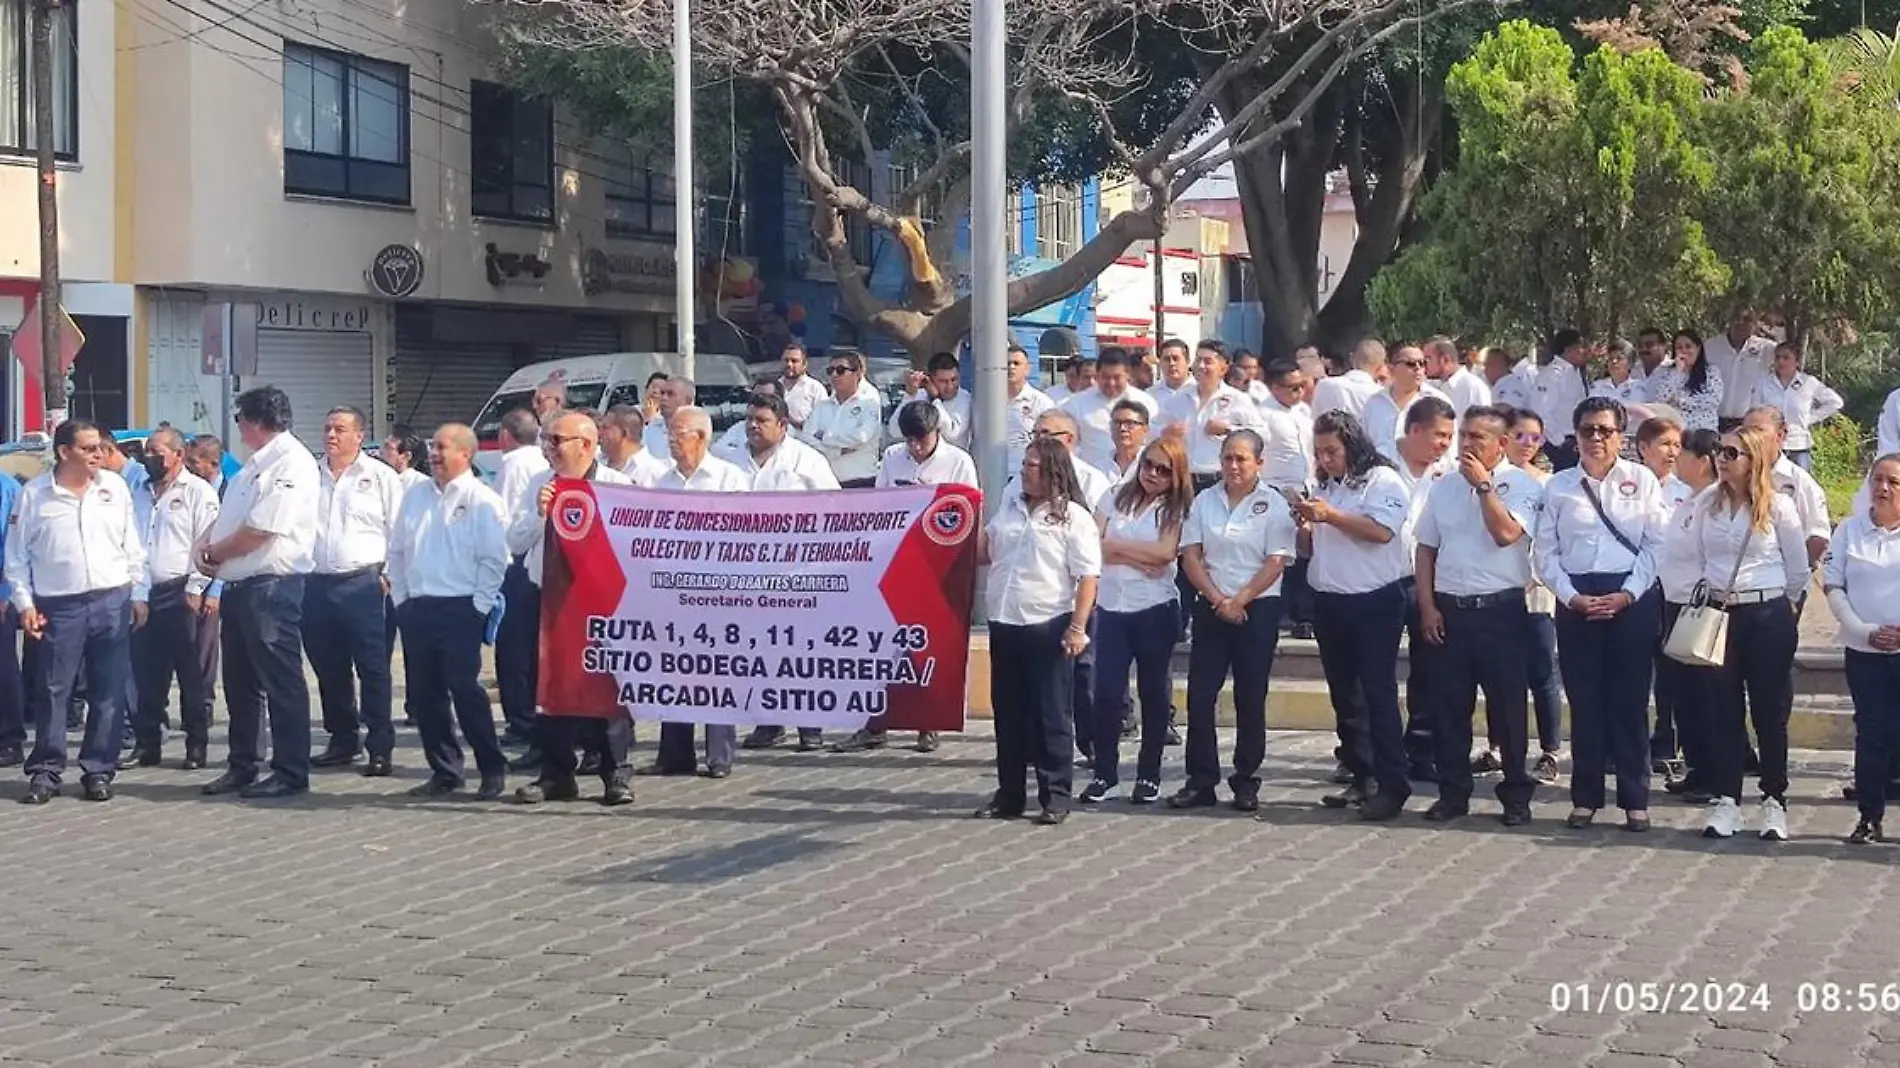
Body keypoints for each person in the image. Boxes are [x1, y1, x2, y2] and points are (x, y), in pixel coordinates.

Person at [1533, 396, 1666, 832]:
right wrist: (1570, 596)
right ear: (1575, 436)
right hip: (1577, 598)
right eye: (1587, 430)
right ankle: (1585, 797)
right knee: (1586, 701)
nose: (1595, 438)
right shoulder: (1558, 487)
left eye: (1605, 431)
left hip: (1630, 595)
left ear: (1620, 437)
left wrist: (1628, 594)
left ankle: (1635, 799)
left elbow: (1655, 545)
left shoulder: (1642, 480)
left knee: (1629, 703)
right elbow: (1545, 552)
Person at [1414, 406, 1544, 825]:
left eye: (1478, 438)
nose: (1467, 445)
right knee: (1449, 707)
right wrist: (1428, 605)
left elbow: (1506, 534)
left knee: (1507, 708)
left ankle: (1515, 796)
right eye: (1464, 436)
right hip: (1451, 608)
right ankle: (1453, 793)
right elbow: (1426, 548)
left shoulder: (1521, 485)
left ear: (1501, 444)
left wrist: (1485, 487)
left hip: (1500, 609)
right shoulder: (1444, 486)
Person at [7, 420, 147, 804]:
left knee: (108, 690)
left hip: (111, 599)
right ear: (64, 452)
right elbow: (16, 557)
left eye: (100, 448)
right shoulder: (35, 495)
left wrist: (139, 592)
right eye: (88, 449)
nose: (98, 455)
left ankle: (99, 770)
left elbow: (131, 542)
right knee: (54, 689)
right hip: (59, 605)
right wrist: (26, 605)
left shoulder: (113, 487)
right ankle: (46, 772)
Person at [195, 388, 320, 799]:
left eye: (239, 420)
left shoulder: (291, 463)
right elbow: (227, 519)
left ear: (254, 421)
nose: (238, 429)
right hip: (239, 585)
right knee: (240, 683)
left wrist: (215, 552)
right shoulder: (253, 466)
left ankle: (289, 769)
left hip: (272, 587)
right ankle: (242, 764)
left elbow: (261, 530)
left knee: (280, 682)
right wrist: (206, 548)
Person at [507, 411, 635, 804]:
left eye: (556, 440)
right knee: (550, 685)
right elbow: (514, 541)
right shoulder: (539, 483)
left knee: (605, 686)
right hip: (547, 598)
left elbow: (629, 548)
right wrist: (540, 514)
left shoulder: (618, 485)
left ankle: (616, 773)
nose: (548, 448)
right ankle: (556, 773)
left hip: (599, 602)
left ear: (586, 444)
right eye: (546, 440)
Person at [973, 437, 1101, 825]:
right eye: (1024, 465)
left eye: (1032, 466)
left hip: (1048, 623)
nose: (1024, 471)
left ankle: (1055, 794)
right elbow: (986, 553)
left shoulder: (1072, 517)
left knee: (1050, 714)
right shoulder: (1010, 506)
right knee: (1009, 713)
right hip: (1005, 620)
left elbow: (1088, 576)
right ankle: (1010, 793)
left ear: (1051, 472)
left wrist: (1078, 627)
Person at [1168, 431, 1296, 812]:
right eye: (1228, 458)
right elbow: (1190, 554)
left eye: (1242, 459)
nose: (1234, 466)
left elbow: (1276, 561)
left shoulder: (1273, 504)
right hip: (1211, 604)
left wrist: (1239, 600)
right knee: (1201, 694)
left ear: (1259, 462)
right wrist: (1217, 599)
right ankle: (1201, 779)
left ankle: (1246, 779)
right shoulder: (1205, 501)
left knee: (1250, 696)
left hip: (1256, 608)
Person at [1694, 425, 1808, 841]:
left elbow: (1797, 570)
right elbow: (1699, 556)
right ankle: (1726, 799)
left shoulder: (1778, 507)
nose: (1721, 459)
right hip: (1722, 615)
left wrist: (1781, 611)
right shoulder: (1708, 504)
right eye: (1719, 452)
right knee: (1723, 711)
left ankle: (1774, 799)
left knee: (1769, 713)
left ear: (1753, 461)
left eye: (1731, 453)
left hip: (1767, 612)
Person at [1300, 410, 1412, 820]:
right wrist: (1307, 525)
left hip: (1374, 603)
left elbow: (1382, 531)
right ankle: (1360, 775)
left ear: (1352, 444)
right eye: (1319, 452)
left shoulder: (1382, 480)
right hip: (1330, 601)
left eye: (1332, 451)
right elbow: (1312, 547)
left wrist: (1331, 515)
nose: (1326, 459)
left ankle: (1392, 784)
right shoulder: (1326, 485)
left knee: (1377, 695)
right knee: (1345, 696)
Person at [389, 422, 510, 801]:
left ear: (466, 454)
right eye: (433, 447)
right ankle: (445, 771)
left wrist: (479, 608)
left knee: (465, 691)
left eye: (442, 447)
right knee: (426, 697)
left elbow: (495, 560)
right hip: (418, 608)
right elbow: (396, 551)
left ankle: (491, 767)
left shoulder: (482, 499)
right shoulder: (415, 495)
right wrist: (402, 601)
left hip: (461, 608)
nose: (435, 455)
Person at [1080, 437, 1191, 806]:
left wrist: (1116, 549)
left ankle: (1149, 773)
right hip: (1112, 606)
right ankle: (1105, 773)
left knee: (1154, 692)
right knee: (1107, 692)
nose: (1153, 475)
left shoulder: (1175, 508)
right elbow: (1090, 543)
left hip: (1154, 607)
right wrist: (1134, 557)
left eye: (1163, 470)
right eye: (1149, 465)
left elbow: (1163, 554)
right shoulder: (1115, 495)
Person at [647, 408, 751, 778]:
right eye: (670, 435)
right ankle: (674, 754)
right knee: (674, 669)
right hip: (673, 591)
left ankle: (719, 755)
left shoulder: (730, 479)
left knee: (716, 672)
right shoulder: (663, 481)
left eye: (679, 435)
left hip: (718, 591)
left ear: (702, 438)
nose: (672, 442)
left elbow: (745, 536)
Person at [307, 407, 404, 775]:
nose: (331, 435)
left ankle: (380, 744)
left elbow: (398, 530)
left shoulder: (380, 476)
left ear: (359, 435)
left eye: (340, 429)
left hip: (364, 583)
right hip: (316, 583)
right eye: (328, 428)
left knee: (373, 667)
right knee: (329, 667)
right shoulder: (310, 476)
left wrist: (390, 575)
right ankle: (342, 739)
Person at [122, 427, 219, 771]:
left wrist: (197, 588)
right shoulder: (137, 491)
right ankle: (148, 744)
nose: (149, 458)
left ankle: (196, 745)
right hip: (145, 592)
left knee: (190, 675)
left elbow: (208, 544)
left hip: (182, 591)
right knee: (146, 674)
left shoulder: (198, 493)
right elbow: (131, 542)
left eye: (157, 452)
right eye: (147, 451)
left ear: (177, 455)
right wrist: (137, 592)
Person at [1826, 454, 1900, 842]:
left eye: (1894, 482)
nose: (1884, 489)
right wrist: (1863, 630)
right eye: (1878, 480)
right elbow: (1833, 586)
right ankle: (1869, 816)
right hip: (1864, 651)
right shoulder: (1849, 531)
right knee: (1872, 733)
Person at [1653, 429, 1721, 803]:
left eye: (1684, 452)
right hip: (1673, 603)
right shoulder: (1688, 499)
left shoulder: (1714, 502)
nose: (1676, 457)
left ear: (1703, 461)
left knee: (1704, 694)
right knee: (1684, 695)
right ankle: (1696, 767)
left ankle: (1715, 773)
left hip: (1698, 607)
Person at [1391, 398, 1457, 781]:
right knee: (1375, 672)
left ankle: (1422, 749)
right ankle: (1364, 753)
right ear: (1414, 430)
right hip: (1380, 580)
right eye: (1439, 435)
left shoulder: (1448, 474)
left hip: (1429, 584)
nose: (1445, 444)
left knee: (1430, 670)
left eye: (1450, 436)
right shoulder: (1378, 465)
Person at [494, 408, 550, 747]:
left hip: (518, 560)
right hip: (533, 557)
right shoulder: (540, 471)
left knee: (514, 648)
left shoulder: (513, 465)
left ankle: (521, 720)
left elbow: (501, 520)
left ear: (504, 435)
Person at [1159, 341, 1259, 492]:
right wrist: (1164, 433)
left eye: (1208, 361)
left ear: (1223, 368)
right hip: (1184, 480)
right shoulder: (1179, 399)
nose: (1200, 366)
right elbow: (1149, 432)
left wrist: (1229, 430)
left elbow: (1262, 435)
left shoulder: (1237, 399)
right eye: (1198, 360)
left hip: (1219, 479)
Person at [1746, 343, 1842, 473]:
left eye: (1786, 358)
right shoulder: (1763, 382)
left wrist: (1809, 418)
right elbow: (1755, 410)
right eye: (1778, 357)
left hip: (1799, 444)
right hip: (1770, 443)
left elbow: (1835, 402)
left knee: (1800, 486)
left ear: (1796, 361)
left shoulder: (1808, 383)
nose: (1781, 361)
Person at [1061, 347, 1158, 473]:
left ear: (1128, 374)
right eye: (1105, 377)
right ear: (1097, 374)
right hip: (1093, 478)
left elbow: (1153, 441)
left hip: (1136, 476)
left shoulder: (1146, 402)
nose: (1111, 383)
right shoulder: (1076, 404)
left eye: (1117, 377)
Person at [801, 349, 884, 488]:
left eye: (840, 370)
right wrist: (838, 451)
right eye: (830, 370)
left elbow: (861, 437)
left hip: (861, 480)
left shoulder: (869, 404)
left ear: (857, 374)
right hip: (826, 481)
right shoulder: (821, 406)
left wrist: (825, 438)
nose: (834, 375)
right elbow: (807, 439)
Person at [1362, 346, 1454, 460]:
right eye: (1411, 364)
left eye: (1422, 363)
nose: (1418, 368)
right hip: (1382, 473)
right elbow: (1365, 445)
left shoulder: (1439, 400)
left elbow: (1450, 448)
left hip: (1427, 475)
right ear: (1392, 368)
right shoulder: (1374, 403)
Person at [736, 392, 840, 492]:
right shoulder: (730, 459)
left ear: (783, 424)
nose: (752, 425)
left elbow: (833, 502)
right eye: (749, 419)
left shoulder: (808, 460)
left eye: (761, 420)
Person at [876, 400, 978, 490]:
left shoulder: (959, 461)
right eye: (910, 440)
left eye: (922, 439)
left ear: (937, 431)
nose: (916, 447)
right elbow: (880, 500)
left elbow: (970, 505)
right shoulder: (891, 455)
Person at [1531, 331, 1594, 470]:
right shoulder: (1552, 375)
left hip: (1577, 440)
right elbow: (1540, 411)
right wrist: (1559, 441)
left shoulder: (1574, 372)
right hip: (1562, 442)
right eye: (1581, 347)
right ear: (1569, 349)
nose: (1585, 351)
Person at [1705, 309, 1777, 428]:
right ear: (1730, 322)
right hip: (1714, 420)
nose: (1742, 324)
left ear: (1754, 324)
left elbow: (1788, 353)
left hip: (1747, 423)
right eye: (1738, 319)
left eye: (1748, 320)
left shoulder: (1764, 348)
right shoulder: (1711, 347)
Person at [1645, 331, 1724, 434]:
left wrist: (1681, 401)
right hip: (1674, 431)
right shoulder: (1665, 371)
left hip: (1703, 431)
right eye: (1679, 347)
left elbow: (1713, 400)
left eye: (1688, 346)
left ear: (1698, 348)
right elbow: (1659, 398)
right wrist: (1677, 373)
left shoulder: (1711, 371)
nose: (1684, 351)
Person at [889, 352, 972, 450]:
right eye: (943, 381)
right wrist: (909, 396)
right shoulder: (919, 395)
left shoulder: (965, 398)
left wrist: (935, 400)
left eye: (954, 380)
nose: (950, 386)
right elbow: (894, 430)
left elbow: (951, 433)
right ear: (931, 379)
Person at [1003, 344, 1055, 474]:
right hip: (992, 472)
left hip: (1026, 473)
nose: (1011, 367)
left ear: (1027, 369)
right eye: (1007, 363)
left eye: (1016, 363)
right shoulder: (988, 400)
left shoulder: (1042, 403)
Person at [1311, 339, 1384, 420]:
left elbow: (1315, 422)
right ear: (1380, 367)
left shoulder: (1324, 385)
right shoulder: (1381, 396)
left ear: (1352, 358)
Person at [0, 472, 20, 768]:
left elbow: (14, 546)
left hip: (2, 593)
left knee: (3, 667)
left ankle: (9, 739)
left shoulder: (8, 489)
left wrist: (6, 593)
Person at [600, 405, 670, 486]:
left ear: (625, 433)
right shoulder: (595, 462)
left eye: (605, 428)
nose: (599, 433)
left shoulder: (656, 474)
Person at [1427, 336, 1492, 414]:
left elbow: (1482, 423)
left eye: (1428, 358)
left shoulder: (1473, 387)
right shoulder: (1431, 387)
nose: (1423, 364)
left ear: (1445, 360)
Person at [779, 340, 829, 430]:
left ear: (804, 364)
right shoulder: (774, 387)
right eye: (786, 360)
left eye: (794, 361)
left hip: (805, 440)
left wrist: (797, 424)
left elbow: (823, 420)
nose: (789, 364)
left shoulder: (815, 388)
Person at [1102, 400, 1152, 484]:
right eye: (1117, 423)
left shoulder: (1152, 465)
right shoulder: (1099, 467)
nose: (1122, 428)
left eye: (1130, 423)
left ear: (1145, 429)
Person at [641, 377, 692, 457]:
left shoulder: (696, 431)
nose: (664, 398)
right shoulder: (650, 429)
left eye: (670, 394)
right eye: (662, 393)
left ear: (688, 400)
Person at [1485, 347, 1534, 412]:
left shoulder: (1512, 385)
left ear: (1498, 365)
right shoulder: (1502, 384)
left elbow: (1505, 409)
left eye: (1488, 365)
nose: (1485, 370)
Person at [1149, 339, 1193, 408]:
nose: (1171, 363)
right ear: (1160, 363)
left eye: (1176, 358)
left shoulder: (1200, 390)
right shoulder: (1151, 395)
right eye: (1166, 359)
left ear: (1188, 361)